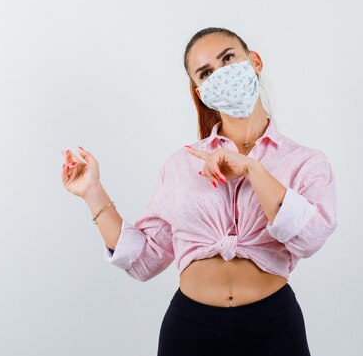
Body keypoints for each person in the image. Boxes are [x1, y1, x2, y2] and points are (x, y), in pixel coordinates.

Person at [60, 27, 338, 356]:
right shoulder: (181, 164)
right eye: (206, 72)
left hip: (273, 327)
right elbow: (144, 260)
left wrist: (252, 168)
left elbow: (310, 238)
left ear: (255, 62)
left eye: (228, 58)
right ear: (200, 90)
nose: (220, 74)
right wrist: (93, 190)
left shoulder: (305, 161)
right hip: (190, 330)